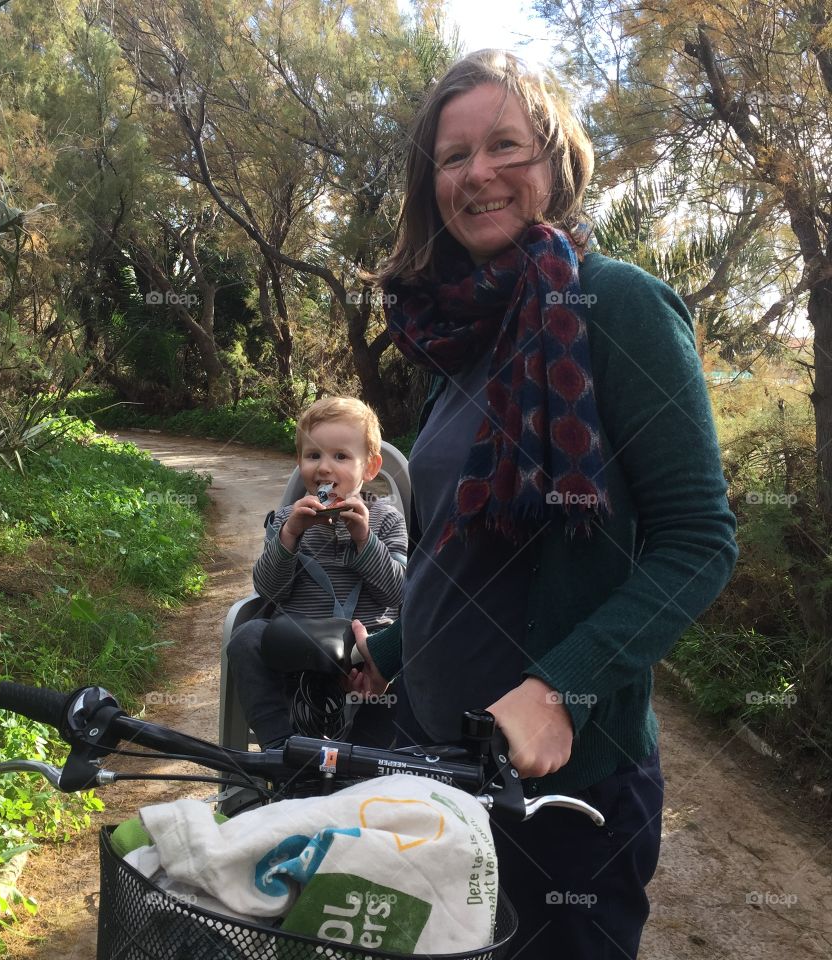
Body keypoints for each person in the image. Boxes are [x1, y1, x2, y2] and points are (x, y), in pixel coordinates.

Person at [346, 50, 739, 958]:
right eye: (453, 157)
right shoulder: (464, 340)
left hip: (562, 798)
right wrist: (394, 651)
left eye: (505, 146)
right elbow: (462, 549)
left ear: (555, 161)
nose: (478, 173)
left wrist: (563, 686)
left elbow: (700, 540)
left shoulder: (616, 305)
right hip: (433, 765)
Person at [227, 396, 407, 750]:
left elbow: (399, 594)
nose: (324, 468)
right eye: (314, 456)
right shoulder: (285, 520)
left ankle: (365, 758)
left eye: (340, 456)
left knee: (410, 656)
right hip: (295, 645)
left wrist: (364, 540)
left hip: (365, 649)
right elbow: (268, 590)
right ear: (299, 462)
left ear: (370, 468)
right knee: (246, 637)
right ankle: (281, 747)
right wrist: (290, 535)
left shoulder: (386, 519)